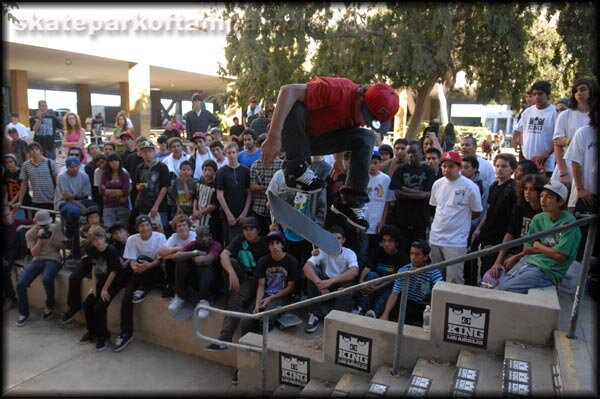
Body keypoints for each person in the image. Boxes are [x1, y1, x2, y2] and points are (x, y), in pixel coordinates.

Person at [261, 77, 399, 231]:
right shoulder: (337, 90)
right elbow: (287, 90)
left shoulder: (357, 114)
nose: (366, 123)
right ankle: (295, 170)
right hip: (292, 134)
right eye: (367, 117)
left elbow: (340, 128)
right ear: (361, 99)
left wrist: (338, 160)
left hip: (317, 140)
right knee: (296, 103)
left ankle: (350, 202)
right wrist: (274, 136)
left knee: (367, 137)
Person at [494, 182, 581, 293]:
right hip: (528, 262)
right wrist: (549, 249)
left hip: (548, 271)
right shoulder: (538, 218)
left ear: (561, 201)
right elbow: (526, 249)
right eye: (541, 196)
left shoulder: (568, 223)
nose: (543, 200)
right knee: (498, 287)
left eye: (549, 197)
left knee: (507, 288)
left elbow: (559, 256)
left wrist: (537, 245)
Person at [205, 217, 269, 351]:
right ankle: (230, 291)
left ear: (257, 230)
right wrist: (232, 273)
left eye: (251, 229)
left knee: (235, 301)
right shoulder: (240, 239)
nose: (248, 232)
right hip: (240, 275)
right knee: (230, 261)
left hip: (255, 279)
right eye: (245, 229)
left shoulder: (264, 245)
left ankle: (224, 339)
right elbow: (223, 254)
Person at [114, 215, 167, 352]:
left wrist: (148, 266)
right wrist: (134, 266)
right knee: (126, 299)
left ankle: (143, 289)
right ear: (137, 228)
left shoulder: (160, 237)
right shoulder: (132, 239)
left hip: (155, 272)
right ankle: (126, 333)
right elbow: (131, 260)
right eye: (142, 226)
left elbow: (161, 260)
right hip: (138, 272)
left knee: (142, 259)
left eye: (147, 225)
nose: (145, 228)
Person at [429, 151, 482, 284]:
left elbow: (476, 211)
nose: (446, 169)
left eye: (451, 166)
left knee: (454, 279)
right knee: (435, 278)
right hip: (436, 238)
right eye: (444, 166)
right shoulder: (437, 184)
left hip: (455, 241)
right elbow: (436, 207)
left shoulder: (470, 186)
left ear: (459, 167)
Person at [488, 173, 547, 279]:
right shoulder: (520, 207)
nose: (528, 193)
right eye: (525, 189)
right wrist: (498, 261)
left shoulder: (545, 213)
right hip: (515, 251)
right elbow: (510, 234)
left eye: (532, 189)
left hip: (534, 256)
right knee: (491, 277)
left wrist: (516, 257)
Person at [240, 231, 299, 335]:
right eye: (271, 244)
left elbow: (290, 288)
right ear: (268, 246)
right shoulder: (263, 261)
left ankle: (261, 348)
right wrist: (257, 305)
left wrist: (271, 298)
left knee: (266, 320)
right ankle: (248, 348)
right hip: (265, 294)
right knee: (246, 321)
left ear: (282, 245)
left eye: (277, 243)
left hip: (282, 297)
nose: (275, 246)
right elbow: (261, 286)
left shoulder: (291, 261)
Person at [303, 225, 359, 333]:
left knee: (350, 282)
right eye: (332, 238)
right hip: (324, 284)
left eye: (338, 238)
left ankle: (337, 316)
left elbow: (354, 271)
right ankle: (315, 313)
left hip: (339, 283)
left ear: (343, 240)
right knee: (313, 273)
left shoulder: (349, 253)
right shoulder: (322, 251)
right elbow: (306, 267)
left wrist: (331, 281)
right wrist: (320, 284)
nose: (335, 241)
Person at [552, 78, 598, 208]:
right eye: (576, 90)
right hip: (566, 165)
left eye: (583, 89)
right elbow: (557, 144)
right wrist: (563, 172)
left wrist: (568, 141)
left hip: (589, 167)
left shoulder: (594, 114)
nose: (578, 93)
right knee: (555, 203)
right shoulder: (566, 115)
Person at [471, 154, 517, 282]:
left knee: (494, 273)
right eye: (497, 166)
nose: (500, 169)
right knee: (483, 269)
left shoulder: (513, 189)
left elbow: (513, 219)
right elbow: (488, 210)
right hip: (488, 235)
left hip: (501, 236)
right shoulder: (493, 186)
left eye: (504, 166)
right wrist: (479, 228)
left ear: (512, 169)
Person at [16, 210, 66, 327]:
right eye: (42, 225)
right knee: (21, 284)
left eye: (46, 224)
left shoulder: (55, 227)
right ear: (35, 222)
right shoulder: (29, 233)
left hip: (53, 258)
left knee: (47, 279)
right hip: (37, 260)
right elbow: (33, 253)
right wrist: (40, 239)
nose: (44, 227)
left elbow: (64, 246)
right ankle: (23, 313)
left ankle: (50, 305)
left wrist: (53, 238)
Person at [78, 226, 123, 351]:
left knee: (100, 307)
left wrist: (104, 289)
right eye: (94, 240)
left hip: (113, 281)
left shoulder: (111, 250)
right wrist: (93, 287)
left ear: (104, 238)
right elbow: (94, 267)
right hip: (101, 280)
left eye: (100, 238)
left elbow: (113, 272)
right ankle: (92, 332)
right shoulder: (92, 249)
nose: (98, 242)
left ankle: (103, 336)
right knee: (87, 304)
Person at [379, 240, 443, 325]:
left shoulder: (433, 271)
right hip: (405, 303)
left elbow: (440, 290)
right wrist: (385, 314)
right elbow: (394, 294)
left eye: (417, 254)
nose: (413, 257)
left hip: (423, 306)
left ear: (425, 257)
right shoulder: (404, 270)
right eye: (411, 253)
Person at [352, 225, 408, 318]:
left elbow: (394, 279)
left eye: (390, 241)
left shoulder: (402, 258)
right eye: (384, 241)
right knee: (371, 275)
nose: (386, 244)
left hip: (388, 286)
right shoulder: (378, 251)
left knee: (391, 290)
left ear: (396, 242)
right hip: (376, 282)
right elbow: (368, 267)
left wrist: (377, 288)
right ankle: (360, 308)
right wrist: (361, 282)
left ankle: (373, 314)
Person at [390, 141, 435, 254]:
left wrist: (406, 189)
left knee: (418, 249)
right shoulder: (400, 169)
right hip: (402, 218)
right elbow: (397, 194)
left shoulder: (428, 170)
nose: (410, 155)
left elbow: (429, 195)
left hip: (420, 219)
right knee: (403, 248)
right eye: (408, 152)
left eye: (413, 152)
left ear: (420, 152)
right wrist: (420, 194)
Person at [169, 225, 222, 314]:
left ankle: (205, 302)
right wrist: (195, 253)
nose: (204, 238)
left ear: (210, 236)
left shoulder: (216, 245)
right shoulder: (194, 244)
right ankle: (180, 296)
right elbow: (175, 257)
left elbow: (205, 261)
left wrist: (191, 257)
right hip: (197, 281)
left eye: (206, 235)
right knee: (181, 262)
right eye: (201, 236)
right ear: (197, 238)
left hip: (213, 284)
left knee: (204, 266)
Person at [55, 156, 97, 260]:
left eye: (76, 166)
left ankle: (91, 229)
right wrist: (79, 203)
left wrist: (78, 199)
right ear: (67, 167)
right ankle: (69, 236)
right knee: (75, 212)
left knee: (95, 207)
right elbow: (66, 196)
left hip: (80, 199)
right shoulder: (62, 176)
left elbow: (85, 193)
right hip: (65, 202)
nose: (74, 169)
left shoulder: (84, 176)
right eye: (71, 167)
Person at [513, 81, 557, 175]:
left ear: (548, 95)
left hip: (545, 165)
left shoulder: (555, 112)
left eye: (540, 94)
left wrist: (547, 153)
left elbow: (558, 137)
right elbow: (518, 129)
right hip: (526, 162)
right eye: (534, 94)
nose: (537, 96)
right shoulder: (527, 112)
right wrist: (516, 141)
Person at [358, 152, 394, 264]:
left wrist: (383, 221)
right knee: (362, 252)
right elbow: (357, 200)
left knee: (375, 251)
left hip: (377, 222)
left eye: (375, 163)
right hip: (363, 221)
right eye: (370, 163)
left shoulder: (386, 179)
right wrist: (358, 221)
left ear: (380, 163)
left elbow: (387, 201)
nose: (372, 166)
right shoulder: (361, 177)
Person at [216, 142, 252, 245]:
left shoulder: (245, 170)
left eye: (233, 152)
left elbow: (249, 192)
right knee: (230, 241)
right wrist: (228, 214)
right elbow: (219, 194)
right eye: (229, 153)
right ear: (225, 154)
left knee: (245, 240)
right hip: (228, 211)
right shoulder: (221, 172)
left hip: (243, 210)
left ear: (237, 153)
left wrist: (245, 212)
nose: (231, 155)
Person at [2, 206, 33, 311]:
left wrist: (24, 226)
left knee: (5, 269)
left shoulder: (16, 221)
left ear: (11, 213)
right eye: (4, 216)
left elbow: (37, 223)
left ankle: (11, 298)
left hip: (13, 251)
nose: (7, 218)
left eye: (8, 214)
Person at [134, 140, 171, 230]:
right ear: (141, 153)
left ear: (154, 152)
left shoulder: (162, 167)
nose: (147, 154)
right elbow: (137, 184)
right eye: (144, 152)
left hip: (159, 205)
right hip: (144, 205)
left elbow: (165, 187)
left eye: (149, 151)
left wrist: (156, 206)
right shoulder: (139, 168)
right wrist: (139, 187)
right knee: (145, 229)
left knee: (160, 229)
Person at [158, 214, 197, 299]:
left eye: (184, 225)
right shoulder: (174, 236)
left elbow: (193, 254)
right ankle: (171, 286)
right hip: (178, 261)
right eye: (179, 226)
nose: (182, 228)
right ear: (176, 228)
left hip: (191, 262)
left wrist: (177, 254)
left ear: (188, 226)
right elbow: (161, 252)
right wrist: (178, 248)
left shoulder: (194, 235)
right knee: (169, 262)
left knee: (179, 261)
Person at [15, 143, 58, 218]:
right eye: (32, 149)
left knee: (50, 223)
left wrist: (57, 198)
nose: (34, 151)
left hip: (51, 200)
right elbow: (24, 184)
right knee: (36, 223)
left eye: (36, 149)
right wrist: (20, 201)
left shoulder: (51, 163)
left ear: (41, 151)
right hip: (36, 200)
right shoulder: (26, 165)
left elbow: (58, 182)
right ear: (28, 153)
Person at [250, 147, 283, 234]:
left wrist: (261, 188)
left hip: (276, 212)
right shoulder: (256, 165)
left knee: (277, 238)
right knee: (260, 236)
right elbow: (253, 188)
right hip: (259, 209)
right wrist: (272, 188)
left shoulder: (281, 165)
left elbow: (283, 190)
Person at [99, 153, 131, 229]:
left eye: (116, 161)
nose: (114, 163)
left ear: (120, 162)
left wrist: (108, 192)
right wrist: (118, 192)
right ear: (108, 163)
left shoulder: (124, 175)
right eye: (111, 161)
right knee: (108, 229)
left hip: (122, 205)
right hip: (108, 206)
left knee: (122, 229)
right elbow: (101, 190)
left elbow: (125, 191)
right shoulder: (105, 175)